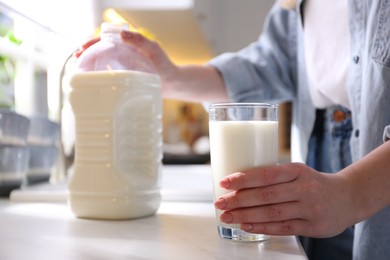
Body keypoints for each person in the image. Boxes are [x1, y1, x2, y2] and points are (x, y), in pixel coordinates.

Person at [74, 0, 390, 259]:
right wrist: (170, 76)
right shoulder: (294, 7)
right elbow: (268, 65)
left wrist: (355, 191)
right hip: (319, 151)